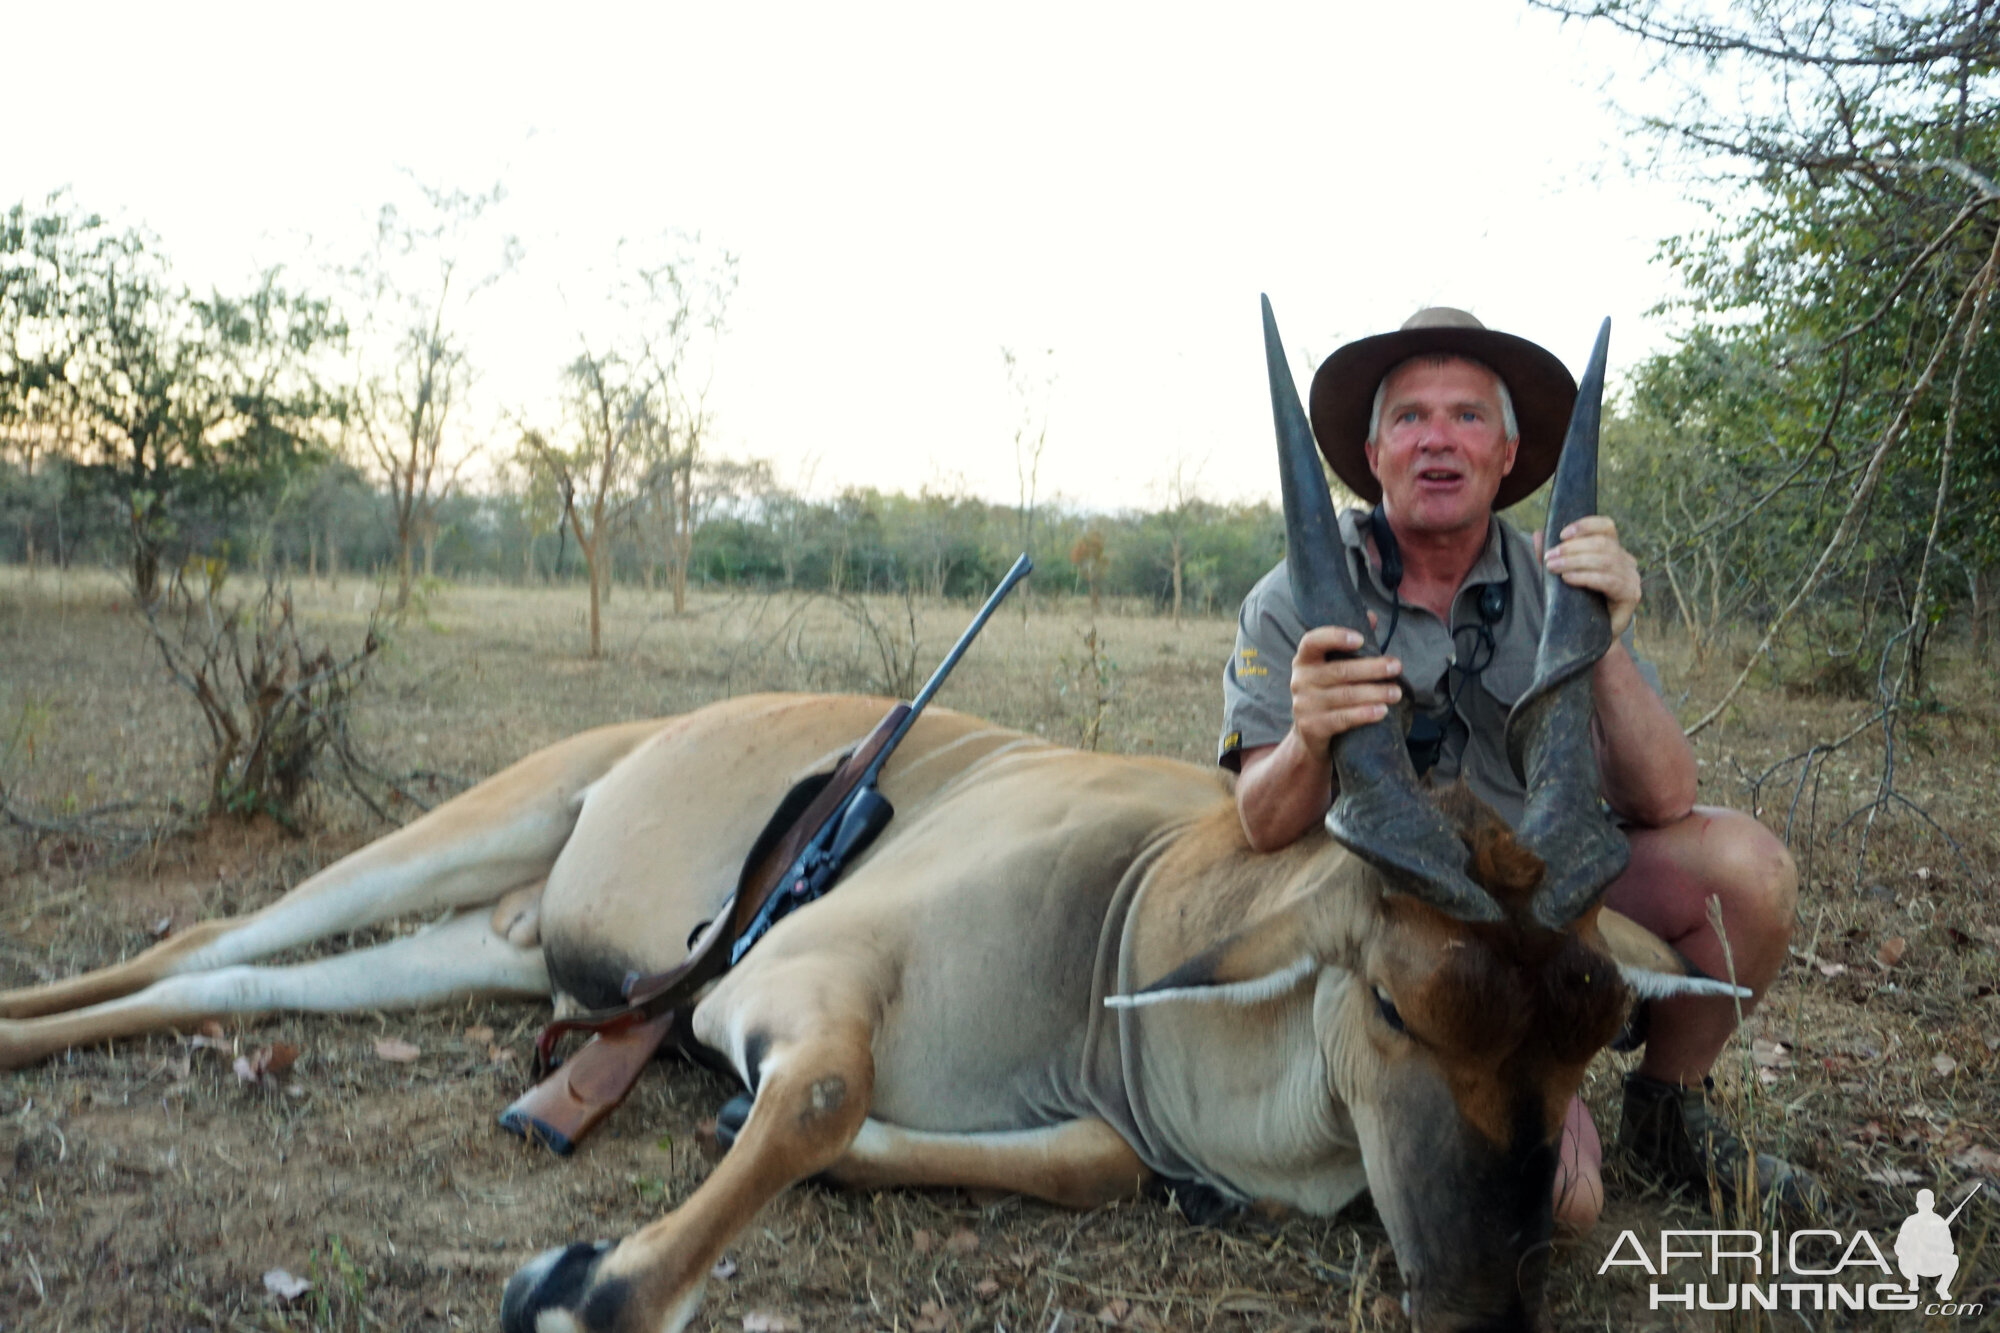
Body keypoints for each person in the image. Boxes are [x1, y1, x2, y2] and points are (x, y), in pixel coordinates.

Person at [1219, 307, 1817, 1230]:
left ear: (1507, 452)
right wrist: (1305, 738)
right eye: (1411, 417)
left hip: (1539, 921)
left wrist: (1604, 635)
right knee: (1565, 1204)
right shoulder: (1289, 597)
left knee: (1748, 871)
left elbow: (1663, 796)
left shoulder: (1560, 579)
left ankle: (1669, 1108)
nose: (1438, 440)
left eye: (1466, 416)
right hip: (1397, 936)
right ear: (1372, 451)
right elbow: (1261, 822)